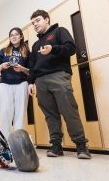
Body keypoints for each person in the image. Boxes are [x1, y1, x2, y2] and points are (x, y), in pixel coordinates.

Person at [28, 9, 91, 159]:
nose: (35, 24)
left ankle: (81, 145)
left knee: (69, 110)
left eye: (37, 20)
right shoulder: (35, 45)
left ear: (47, 19)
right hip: (41, 81)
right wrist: (30, 82)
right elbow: (33, 65)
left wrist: (53, 49)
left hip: (58, 76)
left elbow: (71, 48)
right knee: (50, 115)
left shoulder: (59, 31)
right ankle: (56, 145)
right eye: (32, 23)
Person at [0, 27, 30, 140]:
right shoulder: (3, 51)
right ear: (9, 38)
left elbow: (31, 71)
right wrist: (2, 66)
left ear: (21, 36)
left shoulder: (27, 52)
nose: (13, 37)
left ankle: (18, 141)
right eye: (11, 35)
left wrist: (22, 68)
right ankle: (5, 141)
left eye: (16, 34)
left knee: (20, 113)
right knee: (4, 112)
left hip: (21, 83)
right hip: (5, 84)